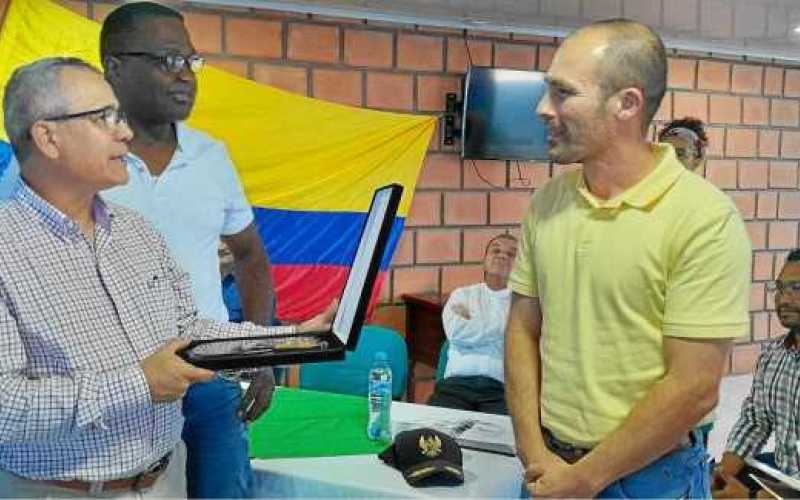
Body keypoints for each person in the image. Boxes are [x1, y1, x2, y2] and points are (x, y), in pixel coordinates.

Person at [0, 57, 332, 498]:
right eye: (104, 118)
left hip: (164, 481)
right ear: (48, 137)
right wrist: (139, 383)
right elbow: (5, 406)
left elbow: (187, 329)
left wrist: (290, 341)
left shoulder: (135, 230)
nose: (126, 132)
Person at [506, 18, 751, 498]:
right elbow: (521, 329)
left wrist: (585, 479)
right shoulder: (548, 202)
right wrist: (534, 453)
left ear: (627, 104)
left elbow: (695, 385)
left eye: (562, 93)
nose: (542, 109)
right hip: (550, 464)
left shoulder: (704, 219)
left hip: (648, 481)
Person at [99, 3, 277, 497]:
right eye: (168, 60)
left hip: (208, 377)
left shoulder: (211, 156)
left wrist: (261, 353)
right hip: (117, 386)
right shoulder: (79, 158)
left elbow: (251, 258)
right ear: (114, 66)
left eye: (191, 61)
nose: (186, 77)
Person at [712, 249, 800, 499]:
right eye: (781, 289)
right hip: (787, 473)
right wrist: (723, 474)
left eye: (796, 288)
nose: (783, 299)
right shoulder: (774, 355)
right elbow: (755, 420)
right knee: (704, 478)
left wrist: (754, 498)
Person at [427, 234, 517, 415]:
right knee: (437, 438)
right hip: (456, 387)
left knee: (503, 439)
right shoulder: (462, 295)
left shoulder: (525, 304)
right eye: (496, 250)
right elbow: (457, 333)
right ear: (484, 261)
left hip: (502, 391)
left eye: (512, 254)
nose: (502, 256)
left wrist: (475, 323)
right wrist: (508, 326)